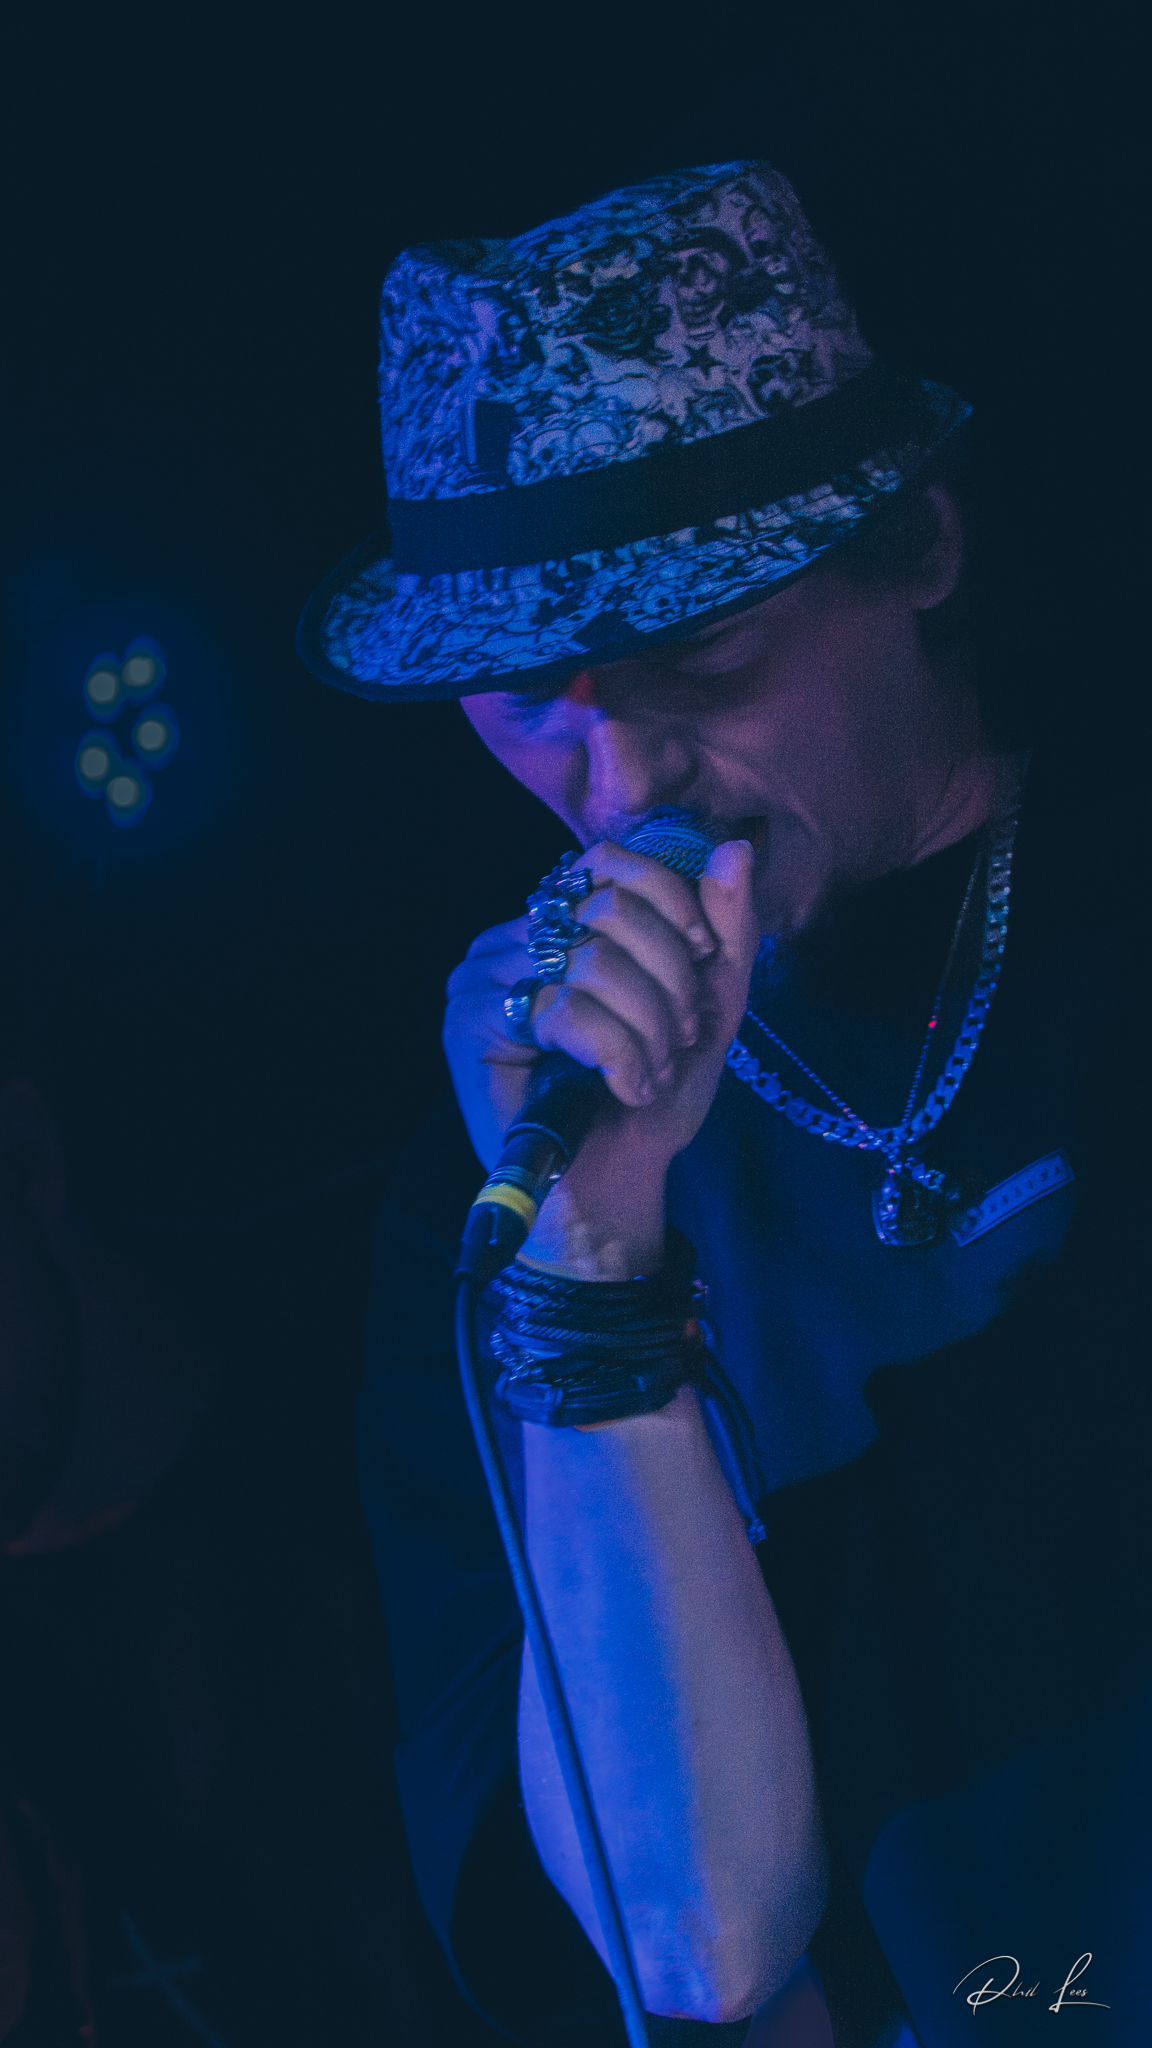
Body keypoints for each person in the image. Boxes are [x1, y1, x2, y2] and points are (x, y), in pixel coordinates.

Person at [298, 161, 1148, 2044]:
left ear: (917, 546)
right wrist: (596, 1269)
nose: (620, 786)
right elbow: (696, 1941)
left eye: (701, 658)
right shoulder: (500, 1192)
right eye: (531, 699)